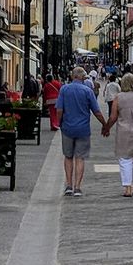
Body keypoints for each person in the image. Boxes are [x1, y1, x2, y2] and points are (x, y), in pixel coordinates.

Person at [56, 67, 107, 197]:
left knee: (68, 157)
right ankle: (77, 187)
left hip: (67, 128)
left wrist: (59, 122)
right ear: (83, 77)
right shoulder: (87, 91)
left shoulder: (64, 89)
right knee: (80, 158)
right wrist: (105, 124)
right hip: (83, 129)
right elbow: (96, 111)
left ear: (73, 76)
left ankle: (68, 185)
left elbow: (59, 110)